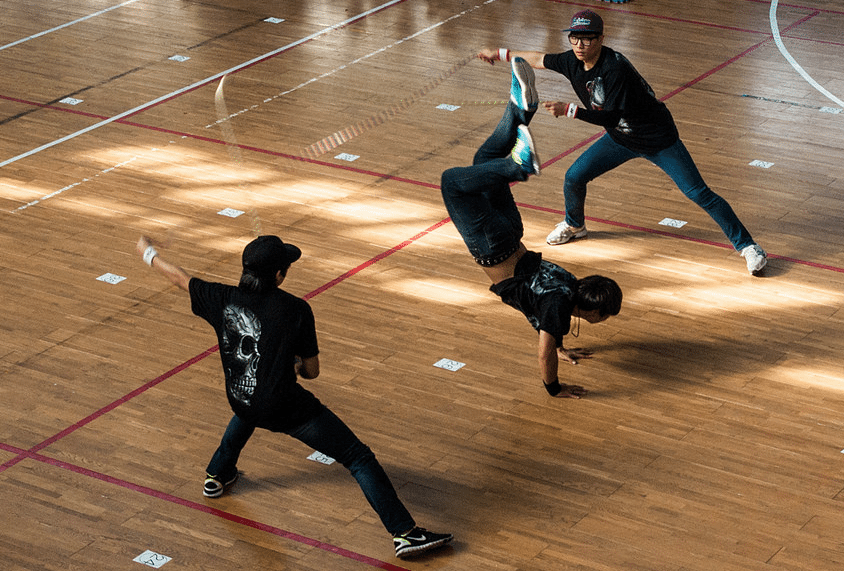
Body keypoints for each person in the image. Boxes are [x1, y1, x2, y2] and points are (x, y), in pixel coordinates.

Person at [135, 234, 452, 559]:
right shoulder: (295, 309)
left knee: (249, 406)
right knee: (358, 458)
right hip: (285, 407)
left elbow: (178, 277)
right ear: (278, 276)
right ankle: (405, 534)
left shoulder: (220, 297)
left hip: (240, 397)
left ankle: (218, 473)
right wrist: (295, 362)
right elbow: (312, 371)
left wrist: (147, 251)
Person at [477, 10, 768, 275]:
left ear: (601, 39)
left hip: (658, 141)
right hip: (621, 140)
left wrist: (570, 111)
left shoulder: (615, 69)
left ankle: (748, 247)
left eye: (587, 39)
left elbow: (611, 117)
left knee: (699, 193)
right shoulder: (571, 60)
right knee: (574, 177)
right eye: (575, 38)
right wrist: (499, 53)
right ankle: (575, 225)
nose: (579, 45)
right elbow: (538, 59)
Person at [440, 57, 623, 399]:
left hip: (512, 233)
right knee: (451, 182)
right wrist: (554, 388)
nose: (605, 320)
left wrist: (561, 347)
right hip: (492, 244)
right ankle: (517, 167)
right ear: (593, 313)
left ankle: (520, 110)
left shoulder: (568, 283)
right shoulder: (558, 306)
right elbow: (544, 345)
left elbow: (541, 313)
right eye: (606, 316)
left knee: (483, 164)